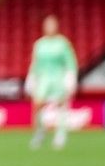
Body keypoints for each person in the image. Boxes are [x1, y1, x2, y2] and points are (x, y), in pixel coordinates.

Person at [26, 14, 79, 150]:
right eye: (47, 24)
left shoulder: (62, 43)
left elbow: (70, 62)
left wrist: (71, 77)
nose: (50, 27)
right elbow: (35, 62)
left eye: (52, 24)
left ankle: (60, 134)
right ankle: (40, 131)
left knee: (61, 104)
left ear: (56, 26)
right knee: (37, 104)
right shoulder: (39, 44)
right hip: (44, 78)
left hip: (58, 77)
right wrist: (31, 77)